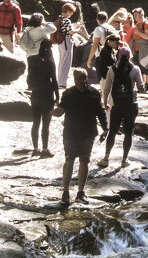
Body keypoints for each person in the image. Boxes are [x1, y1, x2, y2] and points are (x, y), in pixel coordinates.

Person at [53, 68, 106, 207]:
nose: (80, 82)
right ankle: (65, 192)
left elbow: (100, 111)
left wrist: (105, 127)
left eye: (82, 79)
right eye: (78, 79)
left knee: (84, 161)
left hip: (88, 133)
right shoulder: (68, 93)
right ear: (74, 79)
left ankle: (80, 192)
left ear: (86, 78)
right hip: (71, 133)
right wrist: (52, 111)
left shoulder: (94, 93)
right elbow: (61, 110)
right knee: (69, 160)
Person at [99, 46, 145, 167]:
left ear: (118, 55)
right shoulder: (135, 69)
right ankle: (124, 160)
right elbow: (141, 86)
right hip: (131, 104)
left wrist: (105, 103)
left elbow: (106, 89)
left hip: (117, 104)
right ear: (130, 56)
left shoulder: (112, 69)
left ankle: (106, 158)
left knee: (112, 131)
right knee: (128, 133)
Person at [28, 43, 59, 156]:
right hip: (47, 95)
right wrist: (57, 96)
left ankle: (35, 149)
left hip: (35, 94)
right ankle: (45, 150)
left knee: (35, 122)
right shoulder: (50, 63)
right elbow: (54, 81)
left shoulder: (32, 60)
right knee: (46, 124)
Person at [52, 3, 85, 89]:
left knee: (61, 62)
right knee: (66, 62)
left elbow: (67, 30)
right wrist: (79, 29)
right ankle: (62, 83)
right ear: (67, 11)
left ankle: (60, 82)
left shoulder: (60, 18)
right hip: (66, 41)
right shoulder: (66, 20)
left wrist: (75, 27)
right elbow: (71, 32)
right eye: (71, 12)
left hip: (60, 42)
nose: (72, 14)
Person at [84, 10, 114, 80]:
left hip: (101, 56)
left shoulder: (98, 29)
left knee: (102, 78)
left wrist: (89, 59)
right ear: (106, 19)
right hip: (112, 55)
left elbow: (95, 45)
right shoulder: (112, 28)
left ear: (97, 20)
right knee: (110, 77)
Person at [130, 11, 148, 89]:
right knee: (139, 67)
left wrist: (138, 32)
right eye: (134, 15)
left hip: (144, 50)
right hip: (137, 49)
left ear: (141, 14)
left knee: (146, 67)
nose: (134, 16)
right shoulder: (137, 25)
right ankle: (141, 85)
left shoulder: (146, 24)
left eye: (136, 15)